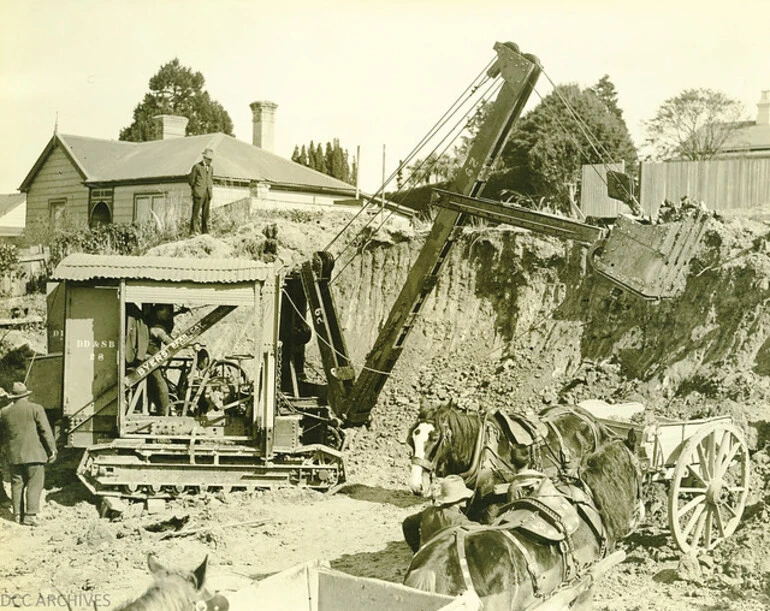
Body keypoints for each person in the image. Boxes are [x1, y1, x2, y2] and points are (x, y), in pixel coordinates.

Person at [0, 382, 56, 525]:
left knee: (16, 484)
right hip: (34, 454)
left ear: (13, 396)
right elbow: (45, 431)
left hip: (14, 455)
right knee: (34, 483)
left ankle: (17, 515)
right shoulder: (36, 408)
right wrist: (52, 449)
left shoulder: (4, 412)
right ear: (26, 395)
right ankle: (30, 516)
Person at [402, 474, 473, 554]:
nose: (467, 498)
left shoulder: (429, 511)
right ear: (460, 498)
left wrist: (417, 549)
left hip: (427, 558)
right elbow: (481, 532)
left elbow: (407, 523)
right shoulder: (458, 520)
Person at [145, 304, 176, 416]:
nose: (169, 315)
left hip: (149, 360)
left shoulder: (149, 323)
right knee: (161, 383)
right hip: (149, 361)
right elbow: (171, 343)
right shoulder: (157, 328)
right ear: (158, 312)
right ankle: (164, 411)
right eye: (166, 311)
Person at [188, 147, 214, 234]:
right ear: (204, 158)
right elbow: (191, 181)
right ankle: (192, 231)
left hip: (207, 193)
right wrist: (196, 190)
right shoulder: (197, 167)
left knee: (205, 214)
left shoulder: (211, 168)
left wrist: (210, 190)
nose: (210, 161)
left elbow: (210, 179)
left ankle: (205, 231)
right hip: (199, 193)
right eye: (209, 159)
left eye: (211, 159)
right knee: (195, 213)